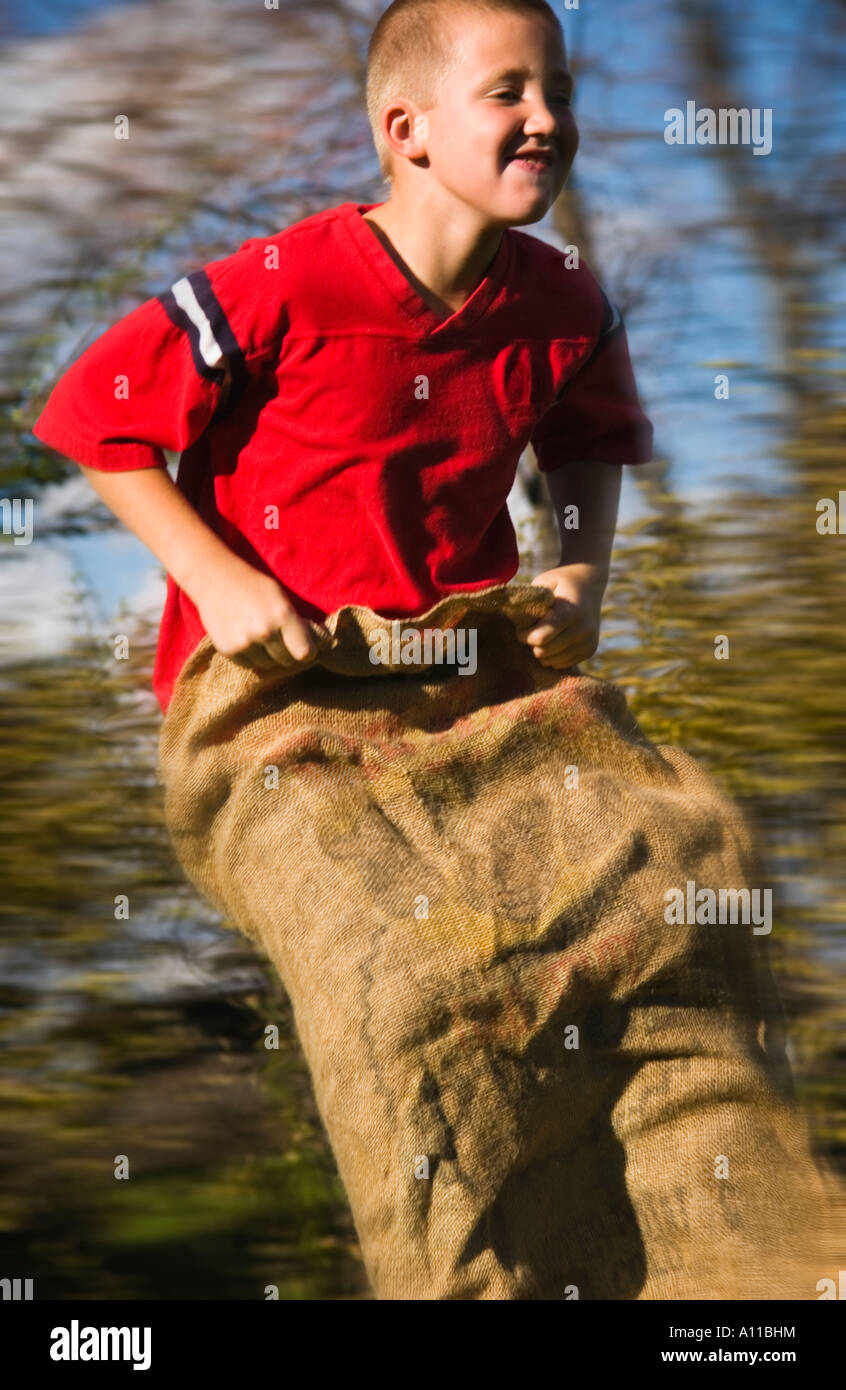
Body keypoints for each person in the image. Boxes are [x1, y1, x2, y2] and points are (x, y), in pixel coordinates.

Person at [32, 0, 652, 717]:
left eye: (561, 94)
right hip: (271, 690)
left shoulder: (571, 306)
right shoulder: (284, 280)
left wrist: (584, 573)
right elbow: (91, 413)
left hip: (459, 682)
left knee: (644, 822)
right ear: (406, 129)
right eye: (507, 93)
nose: (546, 118)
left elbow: (591, 442)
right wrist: (215, 580)